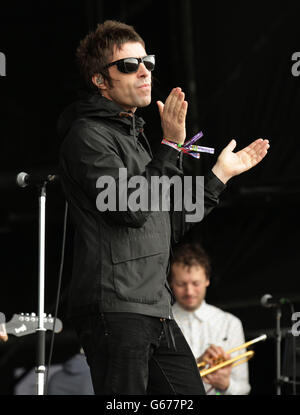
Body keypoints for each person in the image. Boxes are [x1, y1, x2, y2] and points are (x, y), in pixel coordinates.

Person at [58, 20, 269, 395]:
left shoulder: (136, 139)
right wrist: (171, 145)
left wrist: (219, 175)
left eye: (147, 61)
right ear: (99, 81)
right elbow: (129, 206)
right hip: (117, 307)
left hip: (154, 307)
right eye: (128, 64)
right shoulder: (87, 135)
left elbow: (166, 223)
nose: (144, 71)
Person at [170, 243, 251, 395]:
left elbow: (244, 389)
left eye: (196, 283)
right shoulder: (162, 323)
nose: (189, 291)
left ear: (207, 280)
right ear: (171, 283)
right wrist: (196, 365)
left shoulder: (230, 323)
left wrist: (226, 385)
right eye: (181, 284)